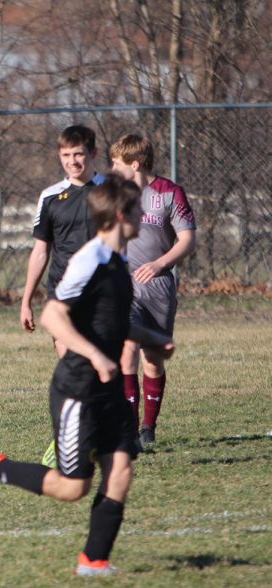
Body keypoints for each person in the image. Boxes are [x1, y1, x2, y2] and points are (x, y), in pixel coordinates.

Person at [0, 174, 175, 577]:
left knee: (121, 469)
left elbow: (111, 322)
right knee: (73, 487)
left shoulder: (119, 259)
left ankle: (94, 560)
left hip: (107, 392)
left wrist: (153, 337)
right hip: (78, 390)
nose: (144, 213)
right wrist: (94, 355)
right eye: (138, 207)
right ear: (123, 214)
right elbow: (54, 315)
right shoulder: (90, 260)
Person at [109, 134, 197, 448]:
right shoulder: (115, 194)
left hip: (158, 286)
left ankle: (148, 426)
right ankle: (130, 433)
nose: (112, 169)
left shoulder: (170, 192)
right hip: (124, 284)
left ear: (135, 164)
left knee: (153, 360)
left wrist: (160, 264)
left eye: (116, 163)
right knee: (127, 351)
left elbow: (187, 240)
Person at [20, 124, 104, 358]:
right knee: (71, 364)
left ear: (93, 153)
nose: (72, 161)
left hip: (102, 288)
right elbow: (40, 250)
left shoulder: (111, 191)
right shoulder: (50, 196)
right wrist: (26, 301)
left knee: (102, 365)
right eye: (66, 155)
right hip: (62, 288)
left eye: (78, 154)